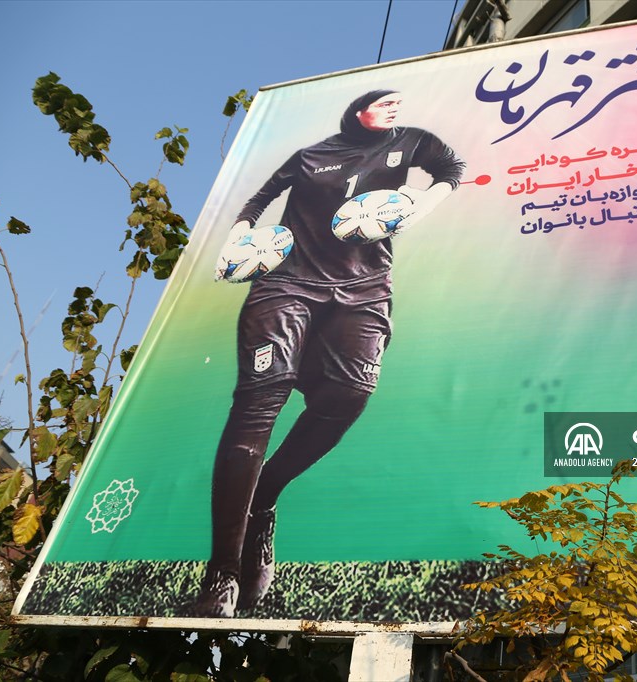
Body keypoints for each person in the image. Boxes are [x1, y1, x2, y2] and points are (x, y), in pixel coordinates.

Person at [193, 90, 465, 617]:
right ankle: (222, 573)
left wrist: (415, 205)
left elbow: (450, 170)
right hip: (287, 285)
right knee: (258, 402)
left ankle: (265, 495)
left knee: (352, 393)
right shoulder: (311, 156)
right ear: (358, 109)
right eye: (383, 102)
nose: (395, 107)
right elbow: (256, 202)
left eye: (399, 103)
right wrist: (240, 239)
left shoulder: (411, 144)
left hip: (363, 289)